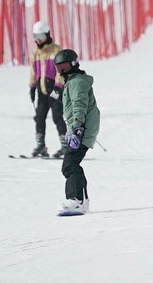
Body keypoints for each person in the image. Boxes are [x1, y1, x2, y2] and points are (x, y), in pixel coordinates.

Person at [54, 48, 100, 213]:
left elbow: (79, 105)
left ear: (73, 64)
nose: (61, 70)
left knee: (70, 164)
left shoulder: (77, 82)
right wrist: (71, 128)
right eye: (58, 67)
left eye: (64, 66)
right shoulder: (73, 81)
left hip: (82, 128)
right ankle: (82, 200)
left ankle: (76, 200)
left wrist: (77, 128)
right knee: (72, 163)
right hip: (80, 128)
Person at [28, 21, 69, 158]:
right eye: (35, 35)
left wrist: (58, 87)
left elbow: (62, 70)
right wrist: (32, 87)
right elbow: (33, 72)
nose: (38, 39)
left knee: (57, 117)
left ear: (47, 34)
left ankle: (66, 146)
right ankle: (41, 146)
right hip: (42, 91)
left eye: (40, 35)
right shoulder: (36, 53)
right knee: (39, 117)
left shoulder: (56, 50)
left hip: (55, 90)